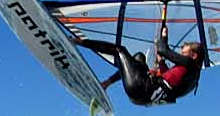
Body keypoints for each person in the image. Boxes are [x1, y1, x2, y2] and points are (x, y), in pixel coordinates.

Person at [75, 24, 203, 106]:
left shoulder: (190, 63)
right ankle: (106, 84)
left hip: (141, 88)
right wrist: (161, 62)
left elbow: (163, 49)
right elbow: (169, 80)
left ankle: (80, 42)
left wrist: (164, 36)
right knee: (138, 58)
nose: (181, 55)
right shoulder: (193, 77)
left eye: (184, 53)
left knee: (120, 50)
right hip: (142, 98)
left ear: (194, 55)